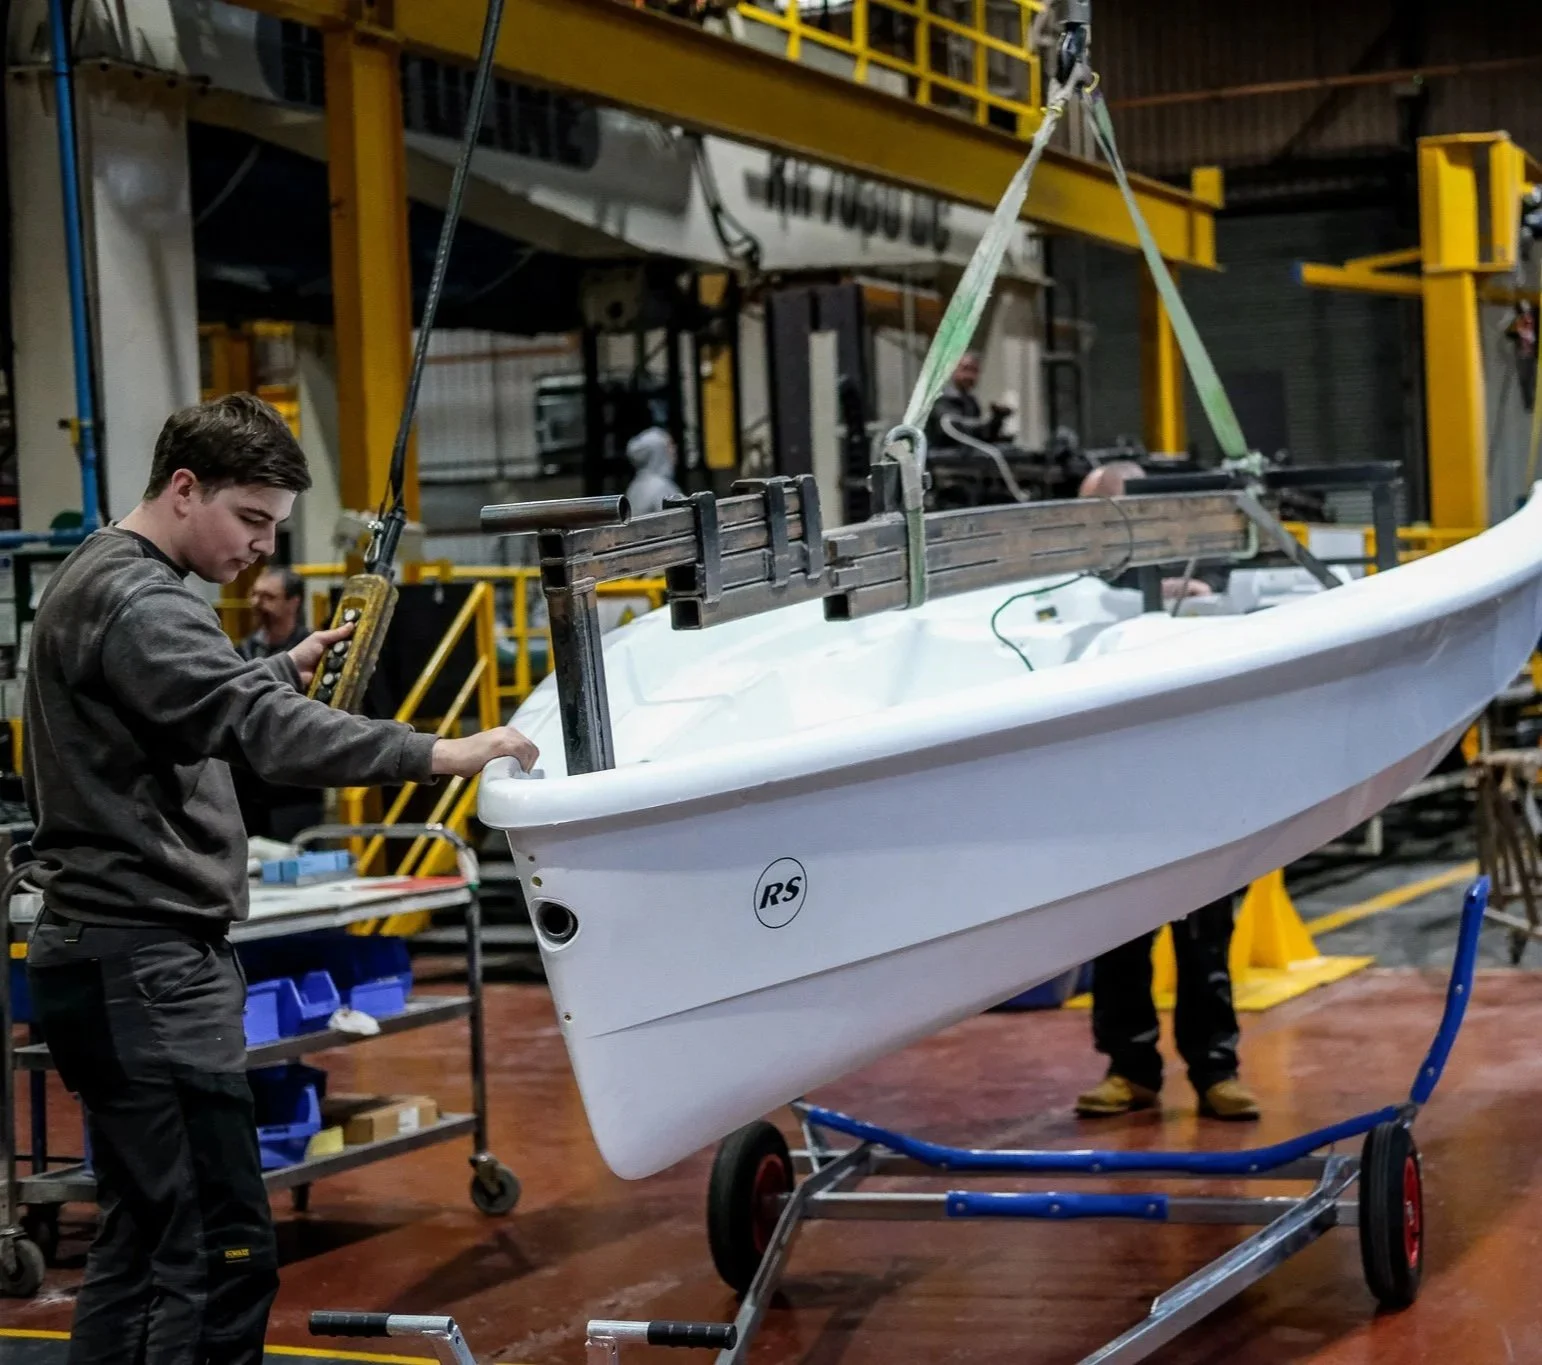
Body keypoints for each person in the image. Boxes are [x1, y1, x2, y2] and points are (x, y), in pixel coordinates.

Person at [21, 393, 539, 1364]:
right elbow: (256, 731)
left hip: (111, 961)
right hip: (146, 968)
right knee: (218, 1254)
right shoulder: (145, 602)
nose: (260, 548)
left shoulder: (101, 573)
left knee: (144, 1241)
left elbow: (191, 702)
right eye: (249, 520)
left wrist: (273, 666)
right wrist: (443, 751)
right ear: (184, 489)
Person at [1071, 458, 1258, 1121]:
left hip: (1198, 789)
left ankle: (1216, 1070)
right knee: (1121, 936)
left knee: (1206, 937)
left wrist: (1190, 588)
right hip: (1118, 793)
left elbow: (1224, 592)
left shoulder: (1206, 561)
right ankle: (1131, 1067)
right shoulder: (1083, 584)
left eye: (1111, 514)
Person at [924, 351, 1013, 453]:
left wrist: (997, 419)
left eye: (974, 371)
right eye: (965, 369)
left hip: (965, 461)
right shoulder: (940, 399)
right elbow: (955, 429)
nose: (969, 376)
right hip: (942, 461)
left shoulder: (971, 402)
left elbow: (979, 438)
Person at [238, 566, 308, 660]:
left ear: (293, 603)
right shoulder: (244, 650)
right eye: (254, 594)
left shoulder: (308, 647)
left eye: (268, 596)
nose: (255, 602)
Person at [624, 425, 683, 517]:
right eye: (669, 446)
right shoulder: (662, 487)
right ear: (659, 452)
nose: (674, 450)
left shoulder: (633, 487)